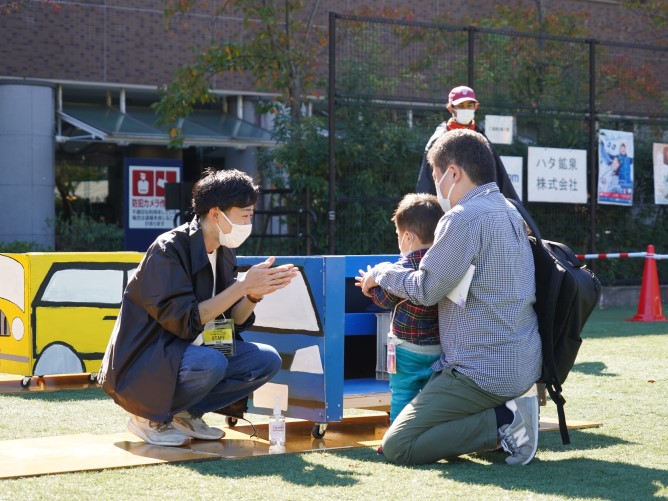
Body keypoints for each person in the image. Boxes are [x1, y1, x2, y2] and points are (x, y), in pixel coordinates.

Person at [360, 129, 542, 466]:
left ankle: (505, 423)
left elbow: (425, 290)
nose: (435, 185)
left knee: (399, 445)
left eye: (435, 175)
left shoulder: (462, 218)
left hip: (478, 372)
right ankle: (507, 415)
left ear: (453, 173)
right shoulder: (510, 210)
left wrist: (382, 272)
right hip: (522, 361)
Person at [98, 168, 298, 447]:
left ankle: (186, 413)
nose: (248, 222)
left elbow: (231, 321)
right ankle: (146, 417)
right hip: (145, 362)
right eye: (245, 215)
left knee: (266, 360)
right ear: (216, 214)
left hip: (191, 353)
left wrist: (252, 295)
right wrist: (241, 287)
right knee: (211, 362)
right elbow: (184, 321)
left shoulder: (225, 250)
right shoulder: (168, 249)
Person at [363, 193, 443, 424]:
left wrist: (369, 286)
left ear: (407, 237)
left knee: (401, 394)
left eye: (398, 235)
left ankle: (396, 438)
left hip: (404, 349)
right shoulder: (443, 264)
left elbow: (384, 300)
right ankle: (429, 436)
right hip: (437, 348)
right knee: (431, 398)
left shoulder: (401, 267)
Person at [415, 85, 519, 202]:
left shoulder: (481, 138)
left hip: (480, 204)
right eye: (460, 105)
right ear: (450, 108)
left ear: (476, 107)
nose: (465, 109)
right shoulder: (439, 140)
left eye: (469, 105)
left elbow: (499, 180)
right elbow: (428, 182)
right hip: (447, 204)